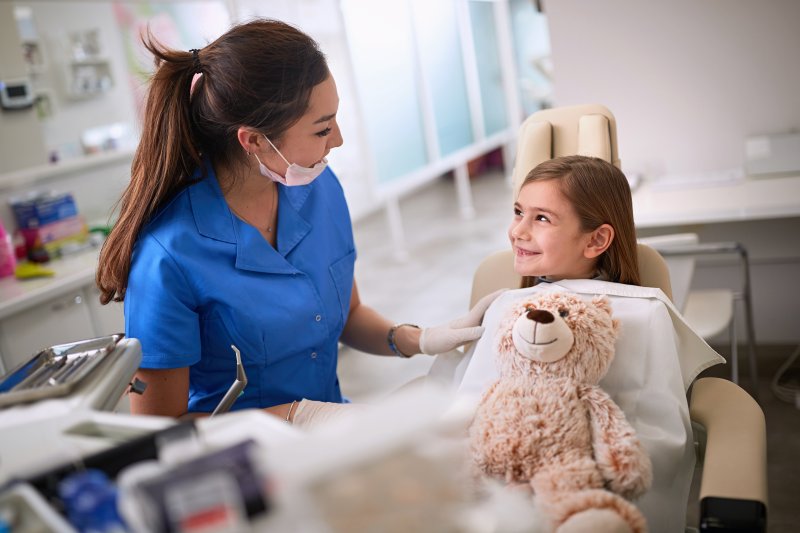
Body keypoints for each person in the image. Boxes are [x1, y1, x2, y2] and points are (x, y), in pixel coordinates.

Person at [95, 19, 501, 426]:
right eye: (322, 128)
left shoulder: (319, 191)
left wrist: (418, 338)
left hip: (332, 433)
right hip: (240, 464)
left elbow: (348, 314)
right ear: (252, 140)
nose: (337, 138)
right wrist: (295, 417)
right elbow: (161, 427)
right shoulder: (168, 256)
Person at [448, 155, 723, 532]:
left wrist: (567, 477)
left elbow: (659, 437)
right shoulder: (504, 308)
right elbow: (471, 409)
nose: (518, 231)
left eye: (541, 218)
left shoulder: (645, 314)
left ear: (596, 239)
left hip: (586, 497)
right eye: (518, 212)